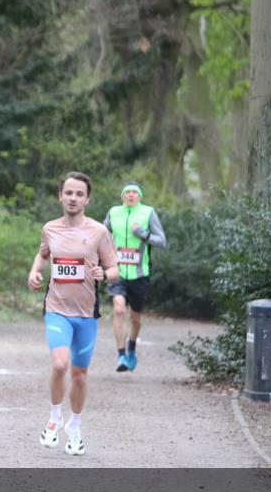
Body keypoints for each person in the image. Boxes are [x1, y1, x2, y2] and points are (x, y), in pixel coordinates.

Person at [28, 172, 118, 456]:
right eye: (68, 193)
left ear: (87, 199)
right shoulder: (50, 229)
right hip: (56, 309)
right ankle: (54, 417)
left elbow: (115, 270)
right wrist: (35, 271)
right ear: (60, 196)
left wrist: (103, 274)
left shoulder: (98, 232)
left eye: (79, 194)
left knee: (79, 375)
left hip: (86, 315)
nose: (73, 198)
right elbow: (43, 253)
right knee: (59, 365)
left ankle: (75, 426)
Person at [103, 182, 167, 372]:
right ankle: (121, 356)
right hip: (117, 272)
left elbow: (161, 241)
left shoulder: (148, 213)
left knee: (135, 318)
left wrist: (142, 233)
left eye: (134, 192)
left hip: (140, 274)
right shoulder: (114, 213)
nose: (131, 195)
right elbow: (101, 234)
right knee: (119, 310)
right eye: (127, 192)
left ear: (139, 197)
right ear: (122, 196)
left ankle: (132, 346)